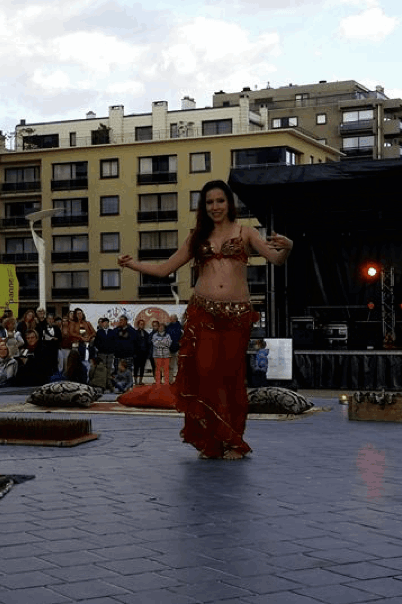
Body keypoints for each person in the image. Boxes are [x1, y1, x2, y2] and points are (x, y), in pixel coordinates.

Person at [119, 179, 292, 460]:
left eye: (220, 201)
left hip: (236, 317)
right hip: (203, 314)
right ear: (204, 206)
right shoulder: (197, 236)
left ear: (229, 203)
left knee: (232, 378)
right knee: (206, 375)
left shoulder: (245, 232)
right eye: (209, 202)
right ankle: (212, 440)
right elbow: (165, 269)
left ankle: (233, 441)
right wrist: (131, 264)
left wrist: (288, 247)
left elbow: (276, 258)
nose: (215, 207)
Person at [151, 320, 173, 385]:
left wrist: (160, 341)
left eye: (162, 327)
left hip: (166, 355)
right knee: (158, 369)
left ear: (164, 328)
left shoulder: (168, 335)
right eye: (159, 327)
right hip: (157, 355)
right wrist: (163, 342)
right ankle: (158, 382)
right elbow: (155, 344)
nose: (160, 328)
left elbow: (168, 344)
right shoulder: (154, 335)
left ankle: (166, 382)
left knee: (166, 369)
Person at [133, 318, 151, 385]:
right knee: (136, 367)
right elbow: (133, 344)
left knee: (142, 367)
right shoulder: (135, 333)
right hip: (137, 353)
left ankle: (140, 381)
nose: (142, 325)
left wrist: (147, 353)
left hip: (144, 353)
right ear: (138, 325)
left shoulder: (146, 333)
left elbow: (148, 344)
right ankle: (135, 381)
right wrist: (134, 353)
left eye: (143, 324)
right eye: (141, 324)